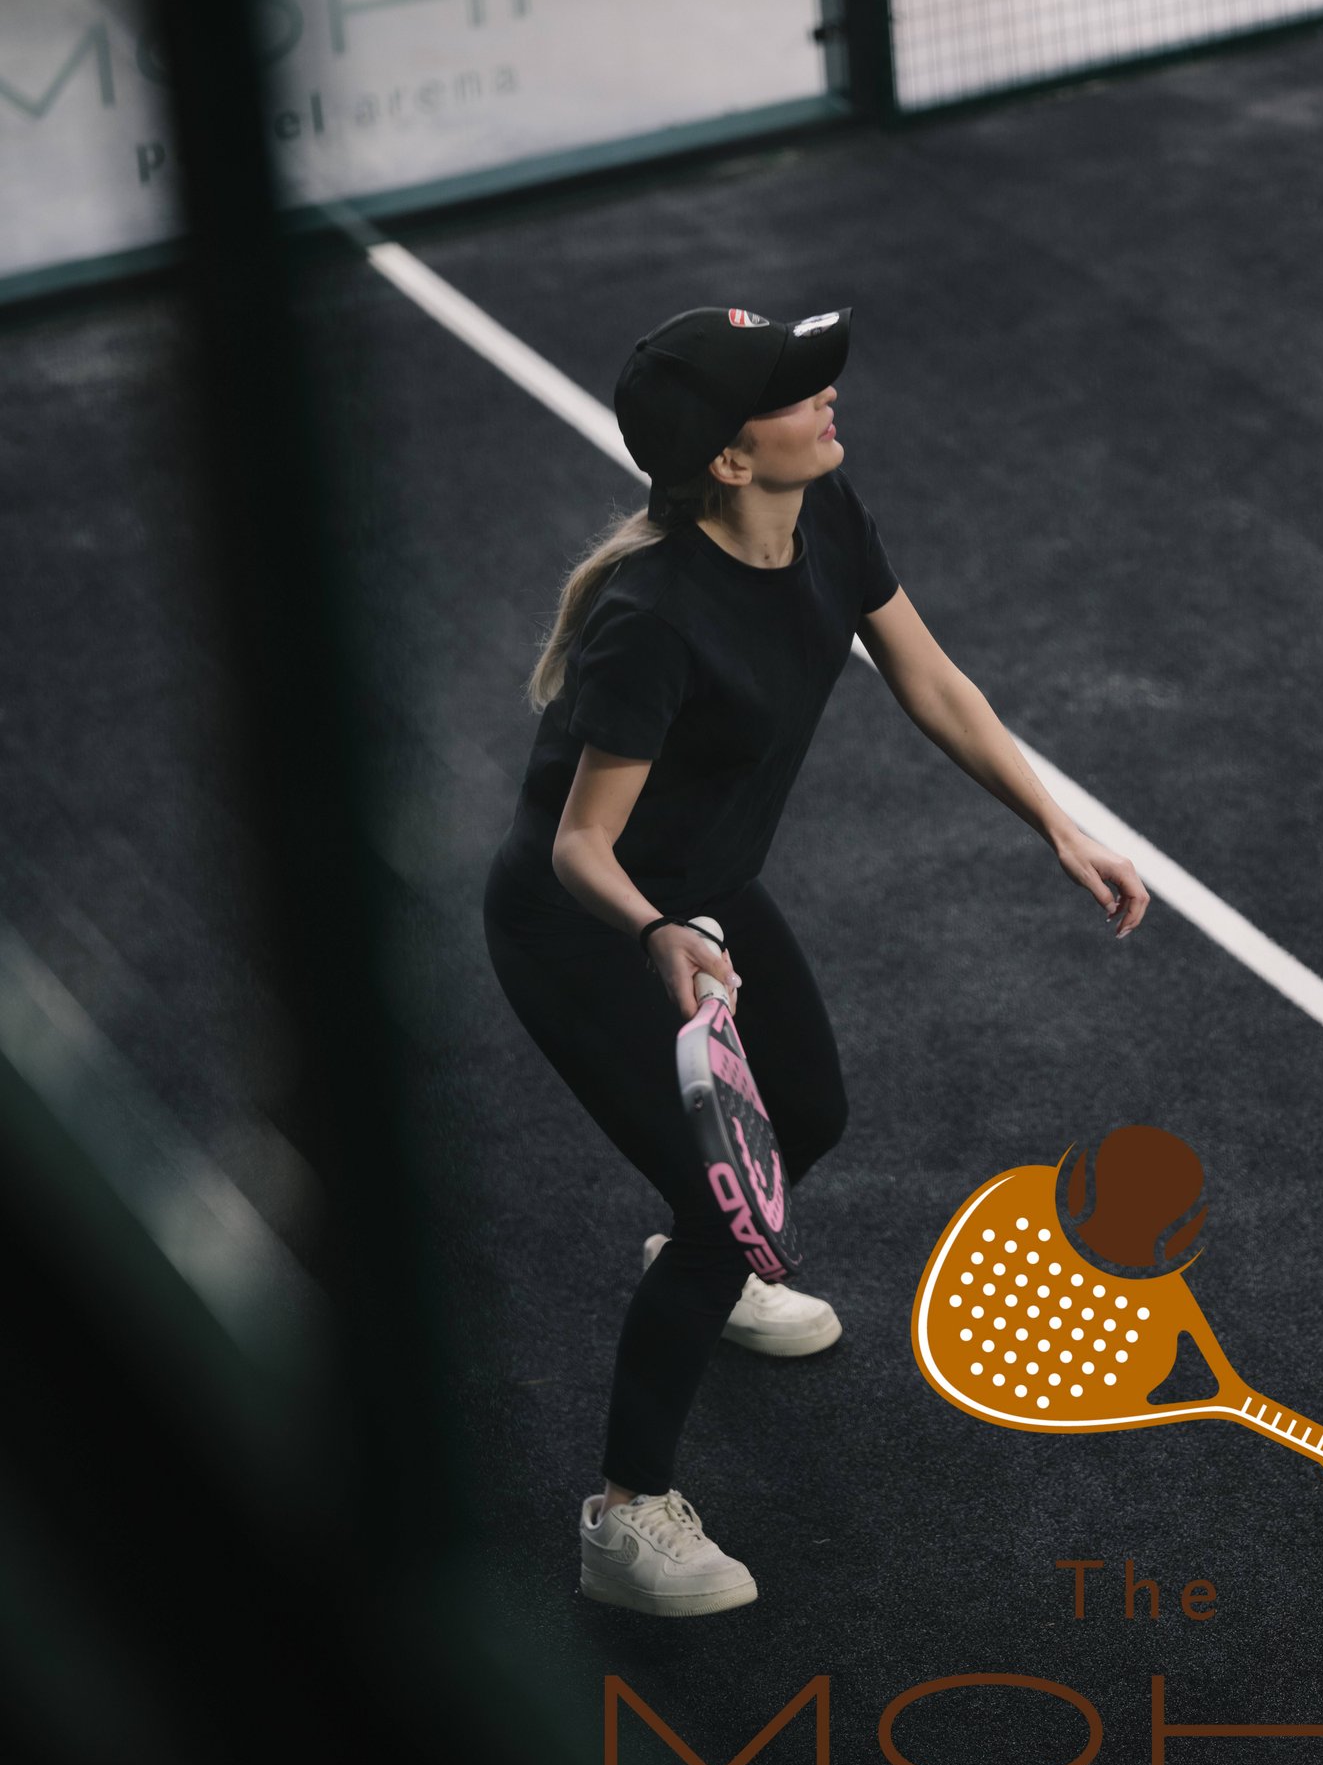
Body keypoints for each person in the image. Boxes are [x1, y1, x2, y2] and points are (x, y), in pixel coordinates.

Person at [482, 301, 1150, 1616]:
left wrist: (1056, 824)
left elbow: (932, 681)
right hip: (593, 928)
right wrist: (661, 935)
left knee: (813, 1117)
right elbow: (579, 846)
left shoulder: (826, 518)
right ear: (729, 459)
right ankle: (623, 1519)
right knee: (731, 1206)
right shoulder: (654, 620)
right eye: (795, 395)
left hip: (706, 894)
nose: (828, 401)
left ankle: (705, 1251)